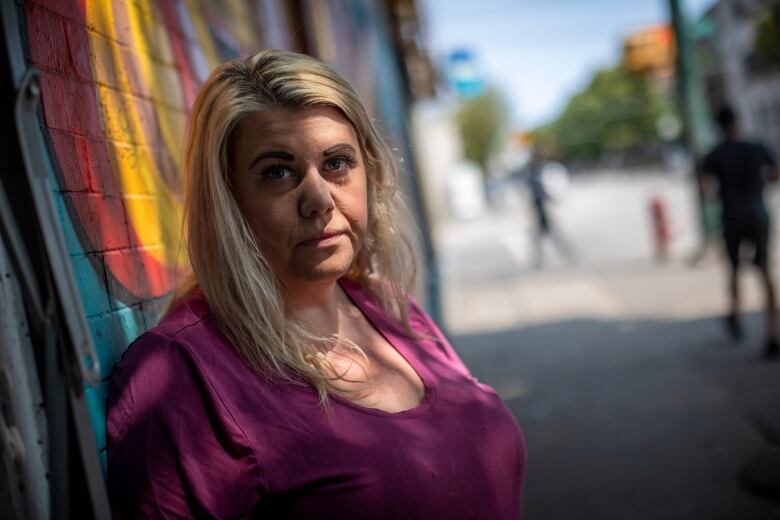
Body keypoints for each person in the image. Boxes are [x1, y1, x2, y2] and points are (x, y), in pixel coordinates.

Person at [106, 50, 526, 518]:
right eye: (277, 172)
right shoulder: (181, 374)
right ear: (229, 198)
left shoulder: (386, 304)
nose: (319, 200)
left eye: (337, 163)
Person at [702, 104, 780, 358]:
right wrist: (759, 185)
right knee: (765, 270)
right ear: (738, 122)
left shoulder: (715, 154)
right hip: (758, 214)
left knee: (734, 271)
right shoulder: (755, 147)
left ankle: (736, 319)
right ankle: (773, 333)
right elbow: (776, 173)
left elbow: (706, 190)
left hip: (732, 217)